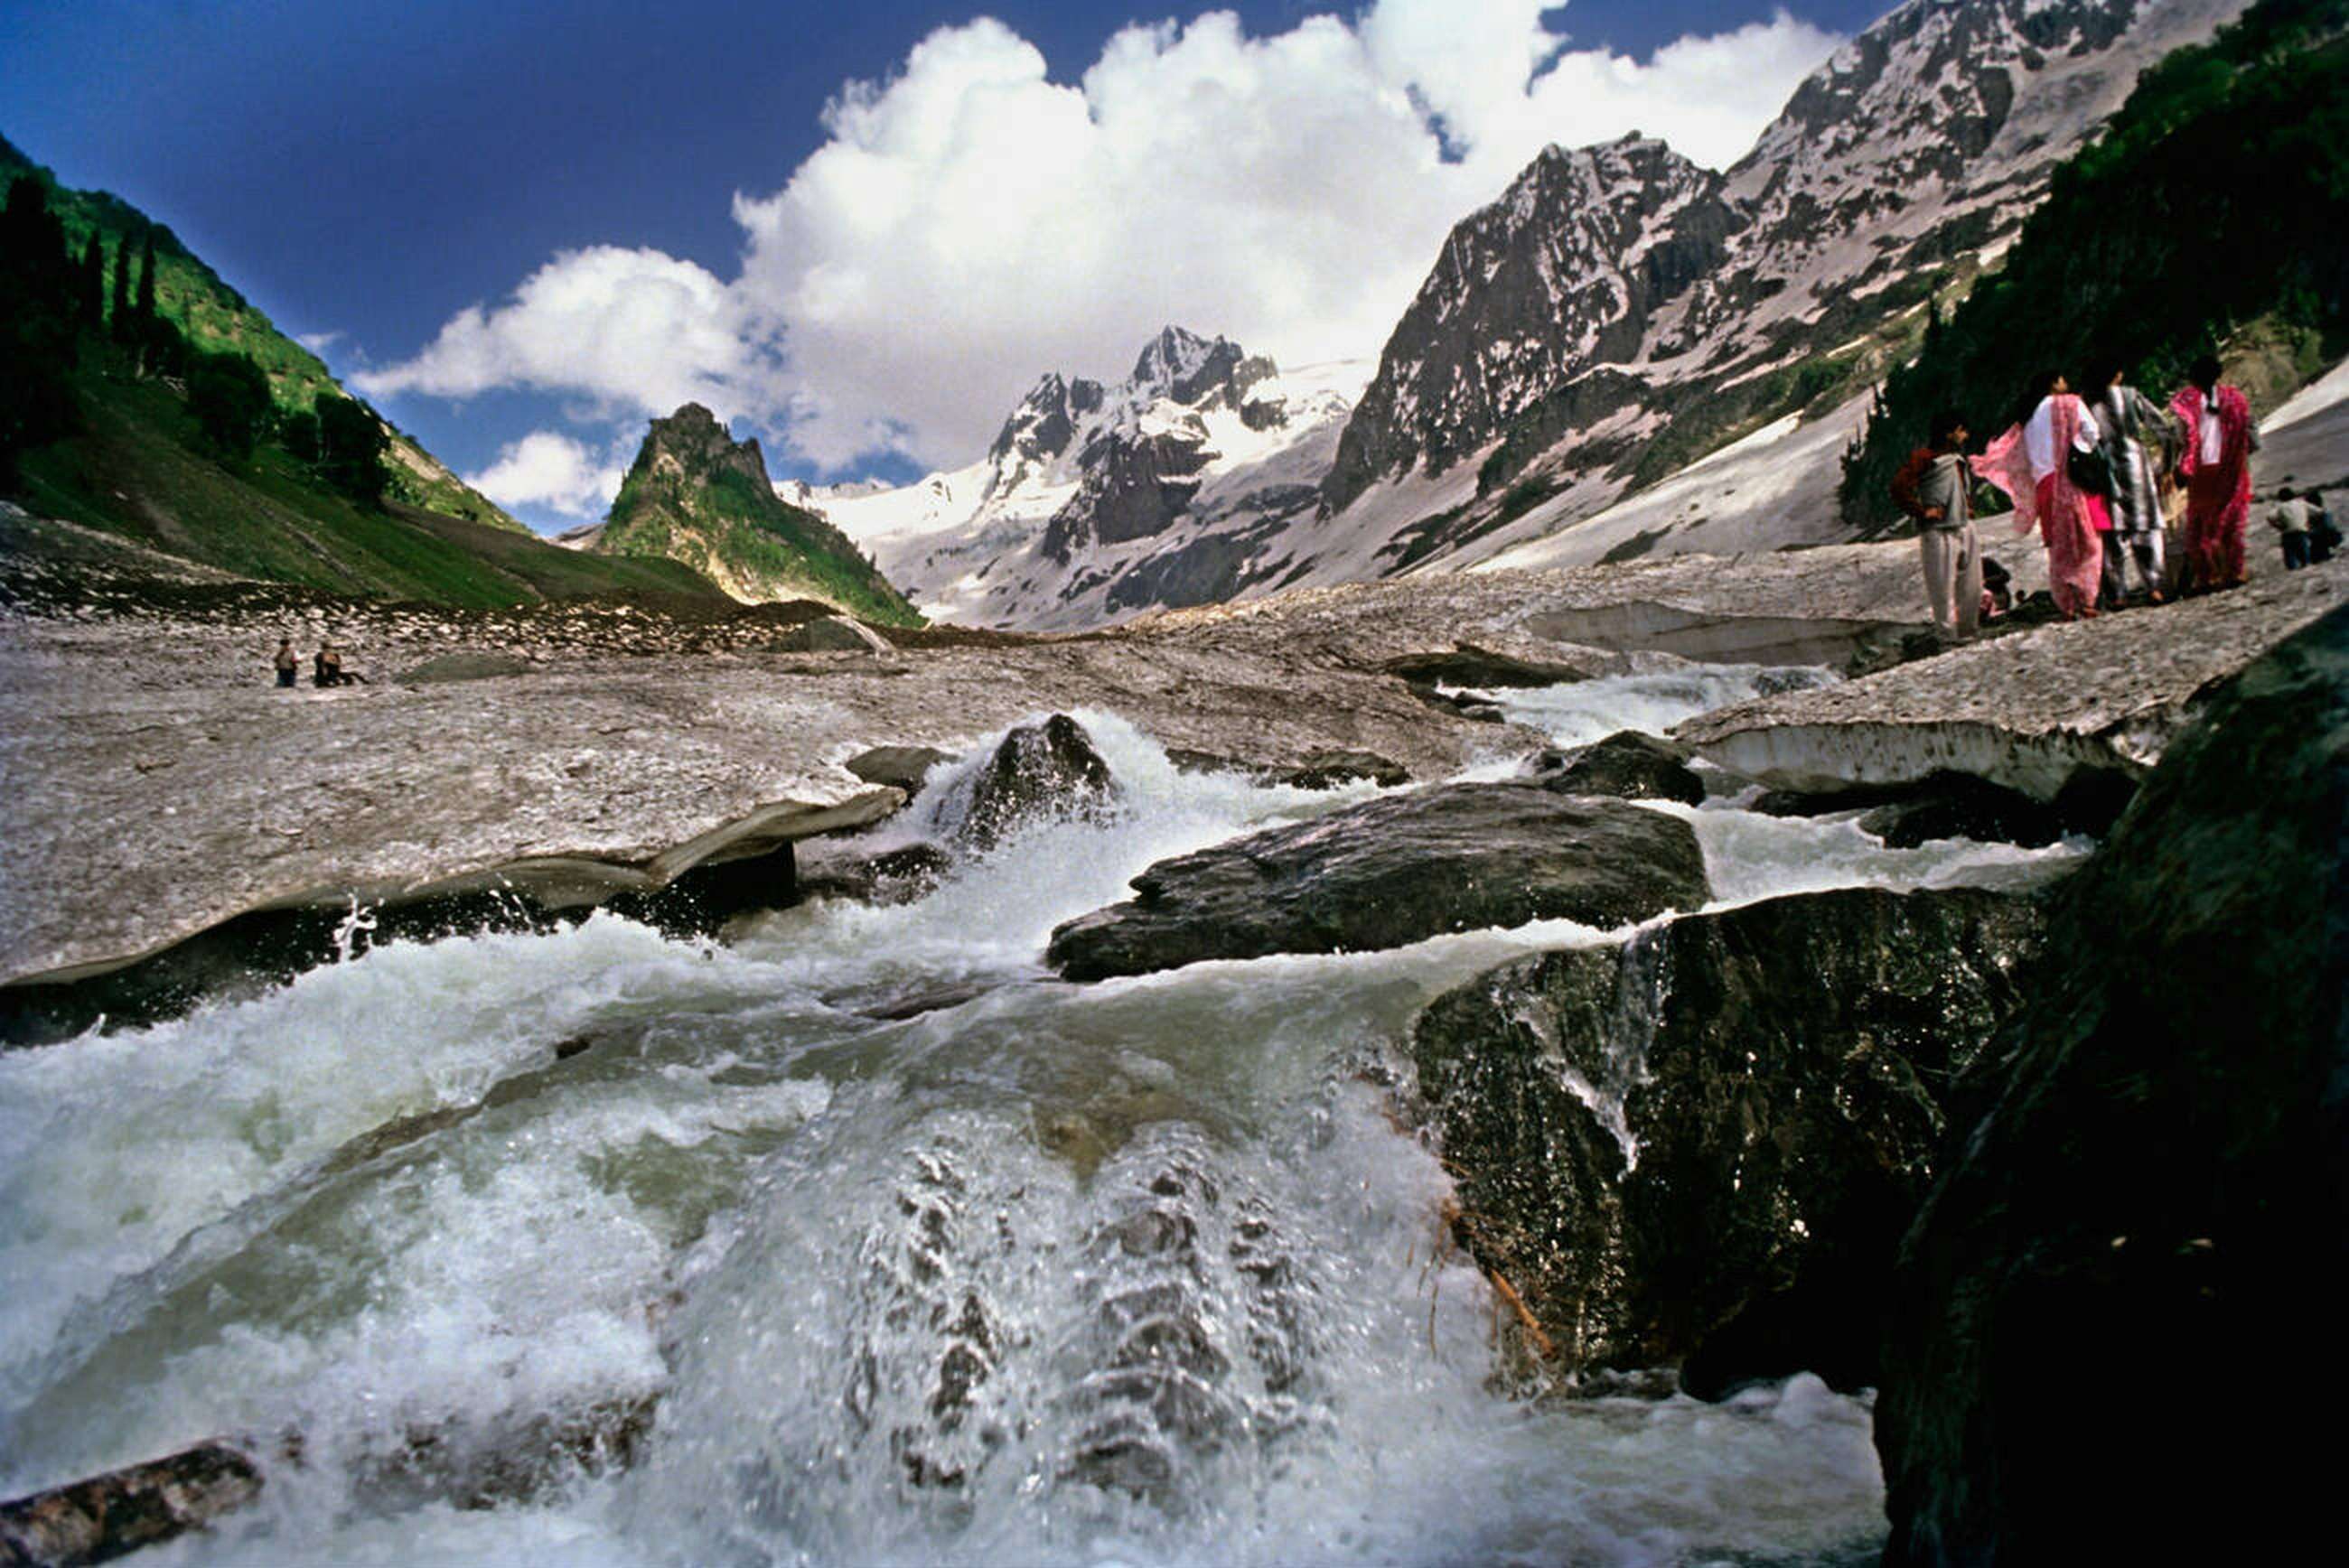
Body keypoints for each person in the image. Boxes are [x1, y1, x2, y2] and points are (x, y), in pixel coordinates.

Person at [1975, 370, 2109, 620]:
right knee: (2088, 542)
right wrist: (2077, 451)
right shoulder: (2070, 403)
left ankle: (2067, 603)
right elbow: (2092, 432)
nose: (2066, 383)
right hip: (2072, 479)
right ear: (2054, 383)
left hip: (2045, 486)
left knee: (2059, 548)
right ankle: (2087, 599)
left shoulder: (2028, 418)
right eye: (2062, 379)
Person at [1890, 407, 1982, 641]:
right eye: (1961, 431)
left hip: (1963, 524)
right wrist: (1922, 512)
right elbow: (1899, 487)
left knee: (1972, 585)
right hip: (1938, 530)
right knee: (1942, 589)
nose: (1965, 436)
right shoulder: (1925, 458)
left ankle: (1968, 632)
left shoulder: (1957, 459)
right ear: (1950, 433)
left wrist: (1967, 506)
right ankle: (1948, 638)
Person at [2170, 354, 2257, 593]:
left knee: (2202, 524)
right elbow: (2250, 432)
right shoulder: (2235, 399)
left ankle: (2208, 575)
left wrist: (2179, 467)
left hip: (2201, 472)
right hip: (2231, 468)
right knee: (2232, 520)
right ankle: (2235, 570)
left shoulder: (2186, 404)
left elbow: (2180, 438)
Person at [2095, 362, 2172, 604]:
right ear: (2117, 374)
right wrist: (2166, 465)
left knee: (2113, 531)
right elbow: (2163, 429)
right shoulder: (2130, 395)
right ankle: (2154, 585)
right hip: (2134, 462)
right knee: (2145, 526)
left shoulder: (2087, 401)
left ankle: (2118, 593)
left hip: (2103, 466)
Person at [2268, 487, 2314, 571]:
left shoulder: (2280, 506)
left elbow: (2270, 516)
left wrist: (2278, 526)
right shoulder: (2301, 503)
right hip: (2302, 531)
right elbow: (2317, 511)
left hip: (2288, 533)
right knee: (2304, 555)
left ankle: (2293, 567)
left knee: (2290, 557)